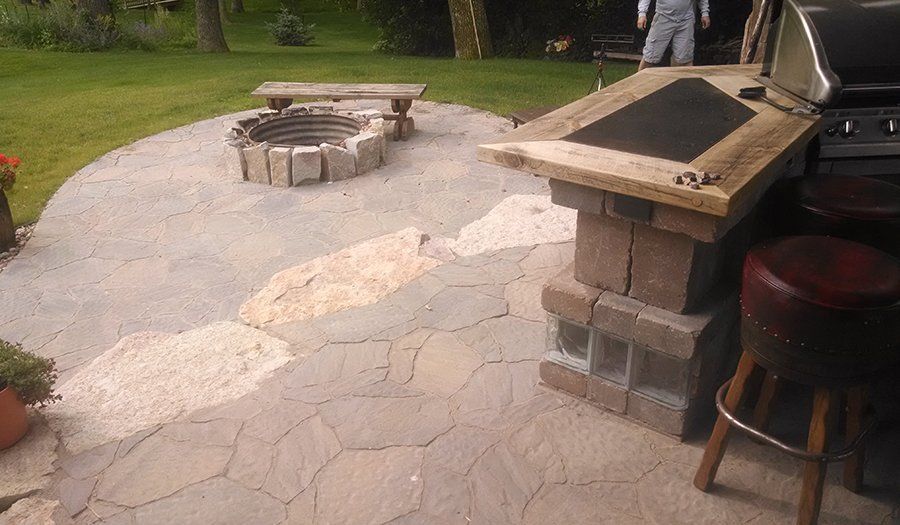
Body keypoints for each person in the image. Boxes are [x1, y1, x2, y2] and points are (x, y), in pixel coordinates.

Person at [637, 0, 710, 70]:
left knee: (685, 58)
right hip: (663, 18)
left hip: (686, 20)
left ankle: (686, 82)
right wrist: (642, 14)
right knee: (650, 57)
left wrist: (705, 13)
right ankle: (637, 81)